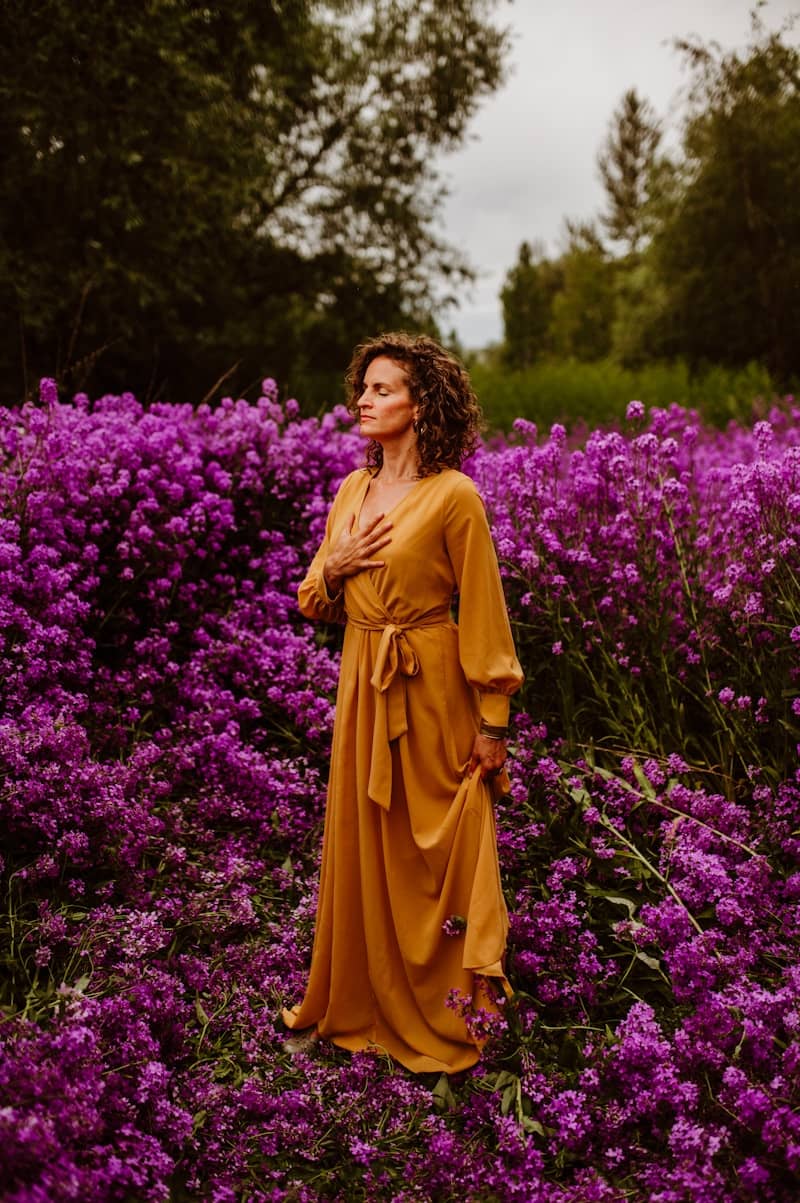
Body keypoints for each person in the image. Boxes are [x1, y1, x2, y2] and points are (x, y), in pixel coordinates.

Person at [281, 332, 523, 1074]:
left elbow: (482, 611)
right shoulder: (352, 492)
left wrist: (493, 720)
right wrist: (337, 564)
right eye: (365, 386)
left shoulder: (456, 496)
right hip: (363, 679)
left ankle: (448, 1009)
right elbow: (315, 601)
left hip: (429, 686)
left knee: (433, 850)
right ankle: (362, 1002)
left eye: (383, 389)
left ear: (422, 407)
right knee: (365, 844)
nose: (364, 398)